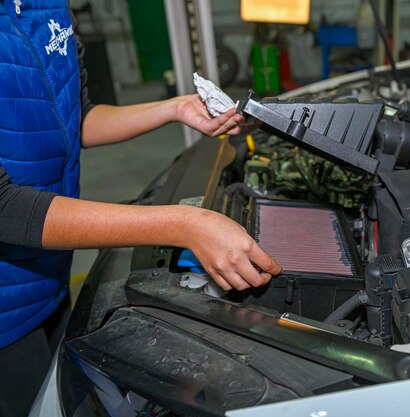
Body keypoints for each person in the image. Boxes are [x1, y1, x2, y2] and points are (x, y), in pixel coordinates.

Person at [0, 1, 281, 415]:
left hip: (49, 276)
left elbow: (78, 119)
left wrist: (174, 109)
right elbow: (4, 207)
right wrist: (183, 224)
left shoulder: (51, 7)